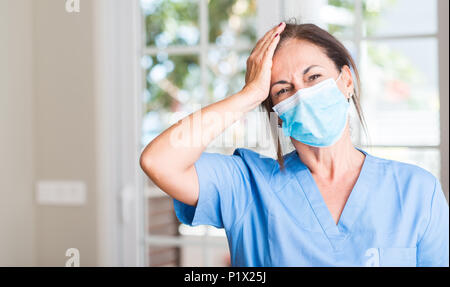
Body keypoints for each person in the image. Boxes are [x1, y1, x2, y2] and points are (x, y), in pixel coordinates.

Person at [140, 22, 449, 267]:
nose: (302, 94)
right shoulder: (247, 185)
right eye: (283, 90)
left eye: (313, 77)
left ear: (346, 81)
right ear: (276, 112)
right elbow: (158, 161)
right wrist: (247, 95)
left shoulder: (418, 191)